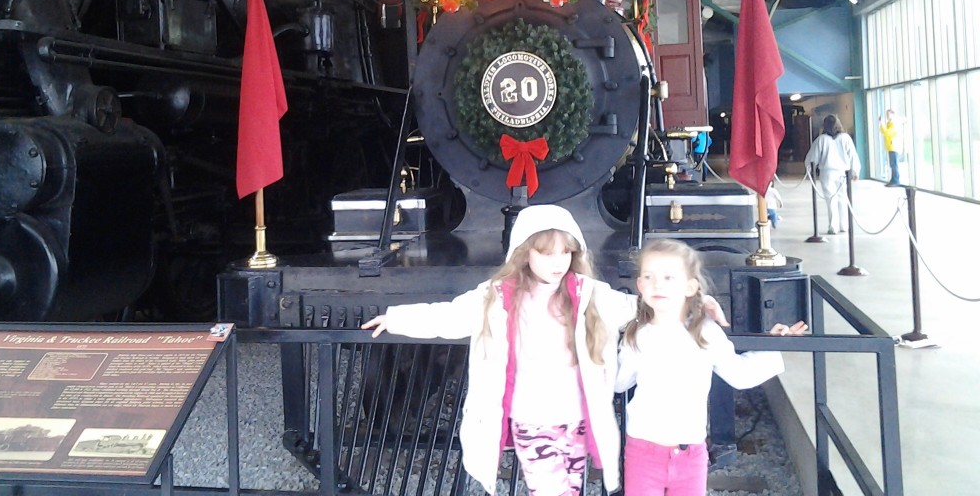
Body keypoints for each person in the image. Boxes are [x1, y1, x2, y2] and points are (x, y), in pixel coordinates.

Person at [361, 204, 636, 496]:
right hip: (533, 419)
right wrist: (396, 318)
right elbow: (450, 316)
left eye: (565, 252)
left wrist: (680, 308)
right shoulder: (497, 296)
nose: (559, 262)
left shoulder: (590, 293)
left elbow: (635, 310)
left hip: (578, 417)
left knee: (569, 485)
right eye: (547, 253)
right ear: (524, 252)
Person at [615, 239, 807, 496]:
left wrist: (772, 345)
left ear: (690, 286)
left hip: (690, 453)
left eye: (669, 277)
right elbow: (619, 382)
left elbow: (738, 374)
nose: (657, 284)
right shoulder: (637, 335)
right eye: (648, 277)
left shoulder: (705, 333)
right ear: (639, 285)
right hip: (643, 450)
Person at [804, 114, 861, 234]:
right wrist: (856, 171)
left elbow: (812, 157)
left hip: (827, 173)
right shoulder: (845, 138)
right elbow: (853, 156)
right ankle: (843, 225)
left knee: (831, 199)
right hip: (843, 173)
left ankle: (833, 226)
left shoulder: (821, 139)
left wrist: (809, 169)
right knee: (843, 198)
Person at [879, 109, 903, 185]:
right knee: (892, 164)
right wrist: (881, 124)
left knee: (894, 164)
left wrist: (882, 124)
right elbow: (883, 131)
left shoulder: (895, 124)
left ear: (893, 114)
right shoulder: (889, 124)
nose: (887, 116)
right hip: (890, 146)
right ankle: (893, 179)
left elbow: (887, 133)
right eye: (887, 115)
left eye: (889, 115)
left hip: (894, 146)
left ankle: (896, 180)